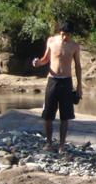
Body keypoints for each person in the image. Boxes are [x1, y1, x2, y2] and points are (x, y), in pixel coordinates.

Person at [32, 21, 82, 153]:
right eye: (63, 34)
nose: (65, 37)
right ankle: (49, 143)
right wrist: (38, 63)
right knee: (48, 114)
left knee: (65, 116)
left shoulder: (74, 46)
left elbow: (77, 66)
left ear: (71, 34)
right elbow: (45, 59)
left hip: (66, 81)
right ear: (60, 32)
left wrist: (79, 86)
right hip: (53, 80)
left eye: (68, 35)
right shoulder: (51, 41)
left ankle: (62, 146)